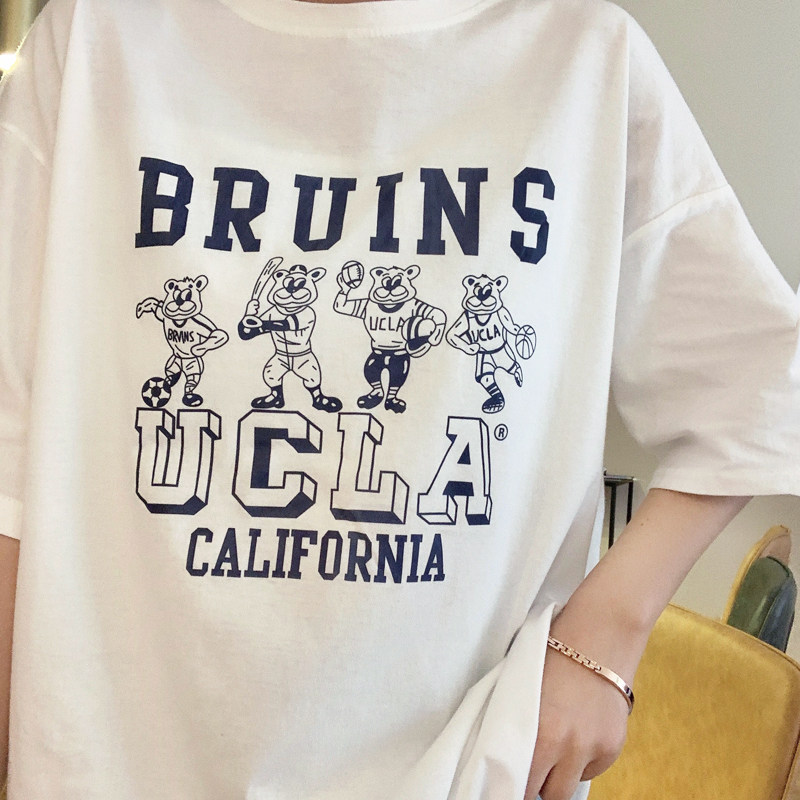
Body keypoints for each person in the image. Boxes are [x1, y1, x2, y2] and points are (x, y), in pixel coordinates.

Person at [0, 0, 798, 798]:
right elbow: (9, 463)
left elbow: (763, 379)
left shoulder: (586, 59)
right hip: (115, 765)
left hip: (459, 768)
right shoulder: (91, 40)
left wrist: (606, 639)